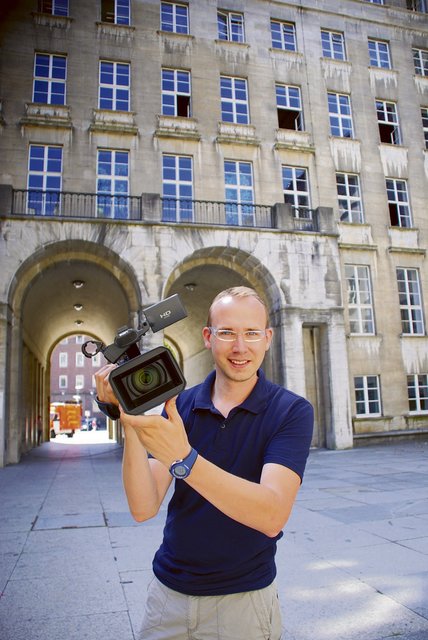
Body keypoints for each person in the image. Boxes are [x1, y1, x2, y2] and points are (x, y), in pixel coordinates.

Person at [95, 286, 313, 640]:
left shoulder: (290, 411)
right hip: (167, 597)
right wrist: (128, 415)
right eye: (226, 333)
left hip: (242, 602)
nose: (240, 347)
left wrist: (184, 458)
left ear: (268, 338)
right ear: (208, 338)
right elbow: (143, 506)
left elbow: (272, 516)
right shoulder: (180, 405)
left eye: (251, 333)